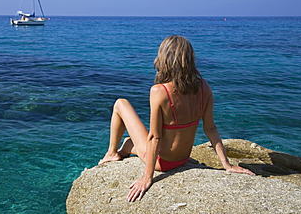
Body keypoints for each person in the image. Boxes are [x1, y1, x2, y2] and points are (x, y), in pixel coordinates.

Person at [99, 35, 255, 202]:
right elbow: (211, 129)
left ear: (164, 59)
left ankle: (111, 153)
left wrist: (147, 177)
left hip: (162, 163)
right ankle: (126, 147)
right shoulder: (204, 87)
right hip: (182, 159)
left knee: (120, 103)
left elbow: (154, 137)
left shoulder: (159, 91)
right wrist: (227, 165)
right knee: (132, 142)